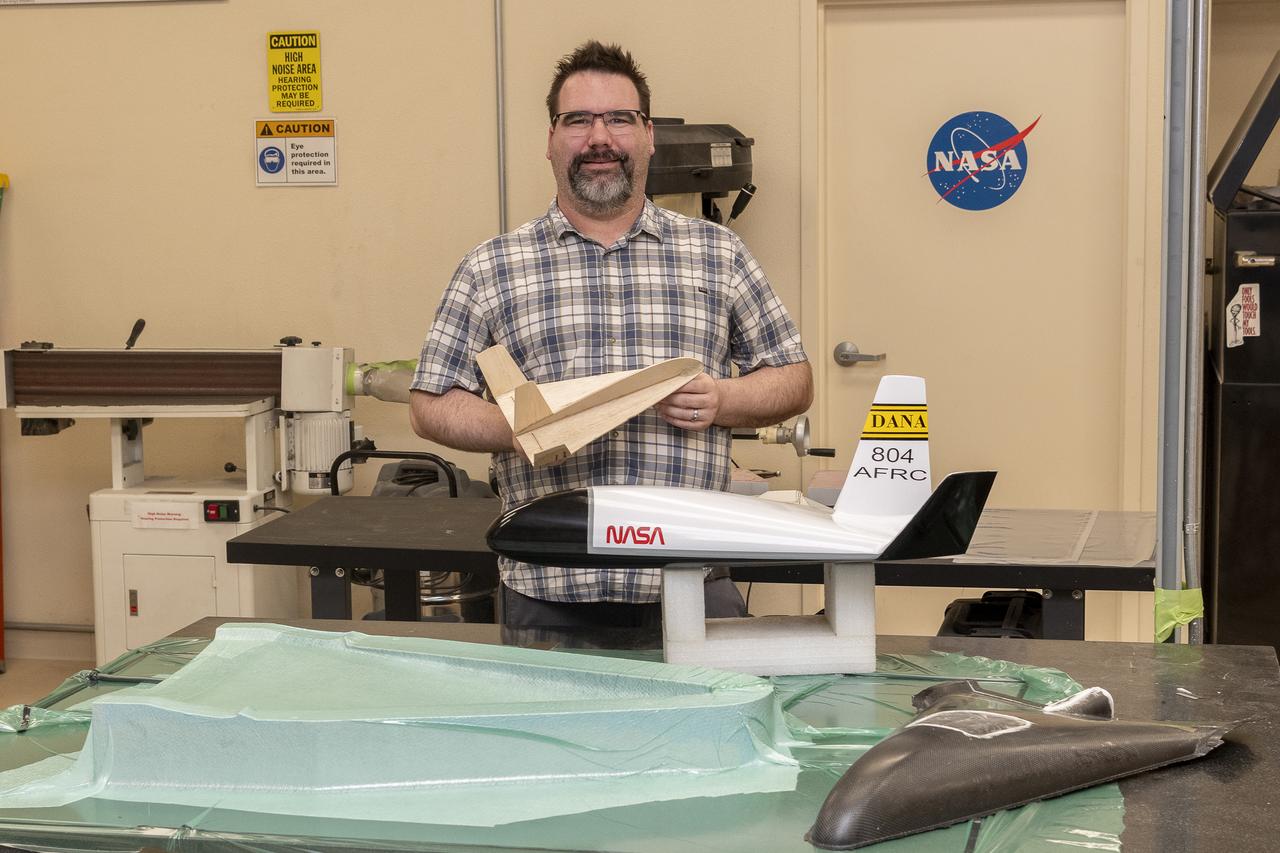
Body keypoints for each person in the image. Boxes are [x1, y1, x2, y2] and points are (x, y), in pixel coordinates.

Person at [410, 40, 812, 629]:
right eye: (578, 120)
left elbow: (794, 378)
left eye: (619, 118)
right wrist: (516, 429)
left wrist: (725, 400)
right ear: (550, 140)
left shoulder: (717, 253)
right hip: (548, 587)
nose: (600, 137)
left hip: (689, 580)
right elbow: (430, 403)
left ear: (648, 136)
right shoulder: (491, 267)